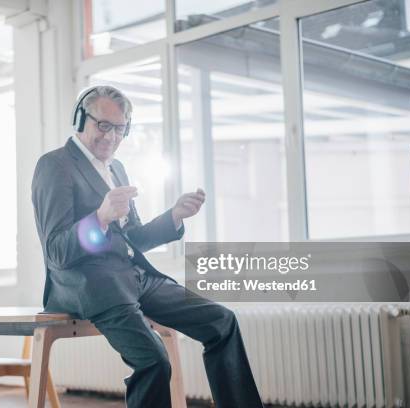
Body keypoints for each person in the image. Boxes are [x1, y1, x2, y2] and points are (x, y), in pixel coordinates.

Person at [31, 85, 263, 408]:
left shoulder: (116, 168)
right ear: (80, 119)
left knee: (222, 322)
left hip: (136, 277)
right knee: (155, 360)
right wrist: (99, 217)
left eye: (120, 129)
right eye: (103, 125)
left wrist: (174, 217)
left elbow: (133, 238)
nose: (111, 137)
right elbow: (56, 251)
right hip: (92, 286)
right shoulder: (55, 165)